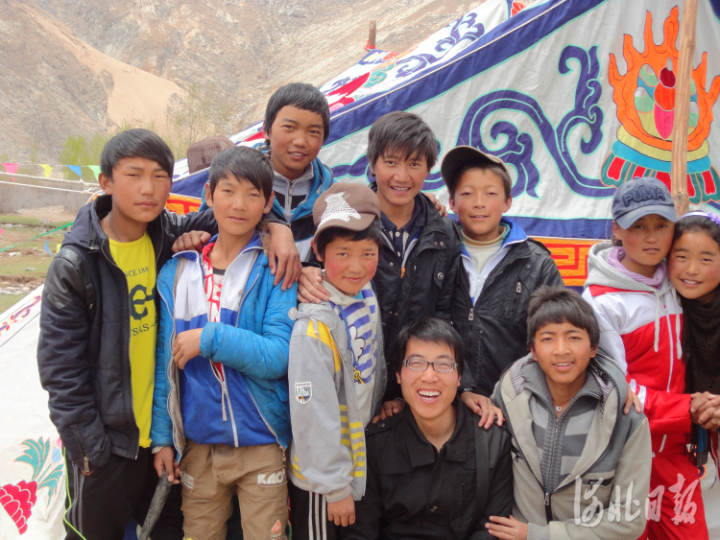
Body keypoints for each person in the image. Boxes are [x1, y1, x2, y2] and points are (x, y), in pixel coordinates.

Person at [37, 128, 217, 539]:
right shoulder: (76, 263)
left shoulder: (165, 235)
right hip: (106, 446)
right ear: (106, 181)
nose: (148, 189)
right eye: (134, 175)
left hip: (163, 439)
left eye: (160, 176)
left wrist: (278, 229)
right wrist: (91, 451)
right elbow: (60, 370)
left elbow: (233, 210)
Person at [151, 146, 297, 540]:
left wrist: (210, 339)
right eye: (228, 191)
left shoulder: (275, 268)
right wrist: (163, 438)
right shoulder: (177, 272)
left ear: (268, 202)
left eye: (252, 194)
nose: (239, 204)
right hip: (198, 445)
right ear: (209, 194)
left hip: (262, 440)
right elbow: (165, 367)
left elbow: (278, 356)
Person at [299, 111, 462, 409]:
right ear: (372, 165)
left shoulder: (443, 233)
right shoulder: (345, 219)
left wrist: (407, 388)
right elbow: (316, 274)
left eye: (414, 164)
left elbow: (445, 313)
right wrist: (305, 273)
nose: (402, 176)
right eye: (391, 162)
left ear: (428, 169)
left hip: (412, 389)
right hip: (350, 386)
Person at [582, 177, 707, 539]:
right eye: (639, 226)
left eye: (661, 225)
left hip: (677, 455)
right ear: (616, 229)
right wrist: (690, 408)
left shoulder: (683, 281)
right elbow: (617, 390)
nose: (652, 237)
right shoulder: (601, 301)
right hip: (625, 457)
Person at [488, 287, 651, 539]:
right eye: (548, 338)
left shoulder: (626, 416)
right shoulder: (509, 397)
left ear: (594, 347)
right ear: (533, 350)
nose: (561, 350)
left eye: (573, 337)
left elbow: (629, 519)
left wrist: (539, 536)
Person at [341, 317, 512, 539]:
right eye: (416, 363)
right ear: (398, 375)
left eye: (443, 365)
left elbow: (493, 530)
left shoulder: (492, 442)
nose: (429, 376)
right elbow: (360, 533)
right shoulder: (375, 445)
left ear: (459, 376)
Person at [287, 181, 386, 540]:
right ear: (318, 250)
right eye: (343, 253)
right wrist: (334, 486)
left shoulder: (365, 293)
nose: (356, 267)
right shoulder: (313, 327)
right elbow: (311, 409)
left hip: (353, 463)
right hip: (322, 481)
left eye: (368, 253)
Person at [440, 145, 563, 423]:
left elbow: (556, 334)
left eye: (490, 193)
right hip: (443, 403)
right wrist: (463, 388)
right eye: (467, 193)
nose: (479, 203)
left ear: (507, 201)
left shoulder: (536, 263)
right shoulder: (436, 252)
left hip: (515, 409)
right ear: (452, 202)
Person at [669, 212, 720, 471]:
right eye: (681, 257)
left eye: (706, 259)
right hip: (676, 434)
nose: (691, 270)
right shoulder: (662, 308)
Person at [264, 82, 334, 262]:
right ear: (266, 130)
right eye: (289, 127)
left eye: (313, 132)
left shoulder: (331, 196)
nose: (300, 141)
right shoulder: (237, 183)